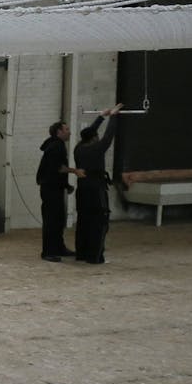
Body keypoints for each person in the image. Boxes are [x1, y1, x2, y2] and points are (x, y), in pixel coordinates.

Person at [73, 104, 122, 264]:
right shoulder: (97, 148)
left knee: (83, 221)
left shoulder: (78, 148)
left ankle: (81, 253)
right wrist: (113, 116)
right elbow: (109, 136)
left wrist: (101, 116)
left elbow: (88, 133)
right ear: (94, 138)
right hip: (96, 189)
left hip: (82, 190)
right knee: (100, 222)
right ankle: (95, 256)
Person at [36, 120, 81, 262]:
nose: (69, 132)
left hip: (55, 187)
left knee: (58, 220)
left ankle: (59, 247)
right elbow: (59, 168)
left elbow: (56, 170)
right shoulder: (56, 146)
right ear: (59, 132)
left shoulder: (56, 144)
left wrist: (66, 185)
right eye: (66, 129)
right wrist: (75, 171)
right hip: (50, 189)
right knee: (51, 221)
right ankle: (48, 252)